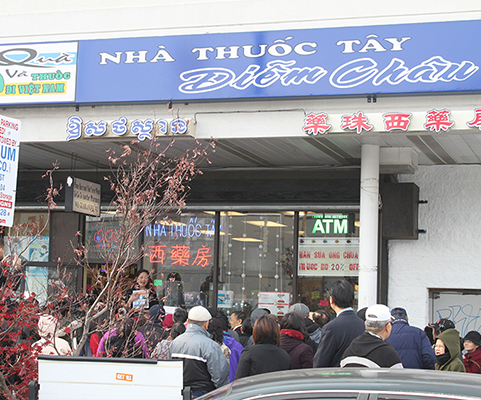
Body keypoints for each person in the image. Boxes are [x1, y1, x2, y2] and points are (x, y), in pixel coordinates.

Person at [169, 306, 229, 399]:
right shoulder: (211, 345)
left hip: (179, 394)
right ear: (207, 323)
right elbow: (220, 377)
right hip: (205, 394)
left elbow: (170, 371)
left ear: (188, 321)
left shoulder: (175, 343)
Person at [313, 280, 365, 367]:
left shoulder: (331, 328)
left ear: (331, 300)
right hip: (359, 374)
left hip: (336, 374)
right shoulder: (363, 324)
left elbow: (319, 362)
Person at [340, 304, 403, 369]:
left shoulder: (350, 349)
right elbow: (398, 374)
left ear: (365, 324)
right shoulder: (388, 354)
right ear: (387, 327)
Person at [235, 315, 291, 379]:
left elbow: (239, 380)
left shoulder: (249, 353)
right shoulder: (284, 355)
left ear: (255, 332)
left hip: (255, 385)